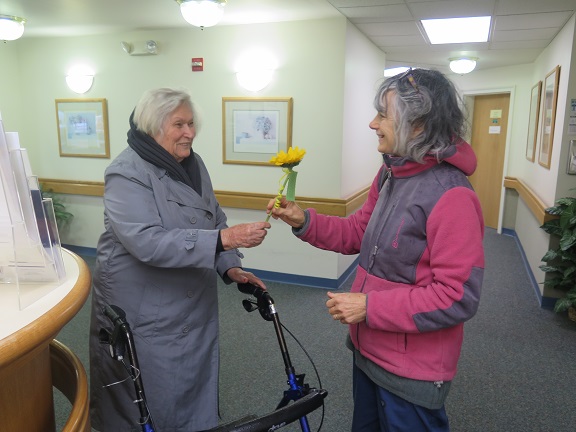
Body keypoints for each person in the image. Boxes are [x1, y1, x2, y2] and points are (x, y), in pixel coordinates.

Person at [267, 68, 484, 431]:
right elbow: (357, 233)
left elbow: (457, 296)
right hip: (369, 351)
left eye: (383, 114)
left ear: (417, 125)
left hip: (412, 370)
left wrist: (370, 306)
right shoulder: (389, 175)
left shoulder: (453, 194)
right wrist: (303, 219)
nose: (372, 123)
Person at [89, 87, 270, 432]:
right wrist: (224, 239)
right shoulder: (125, 173)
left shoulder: (193, 163)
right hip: (144, 306)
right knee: (143, 396)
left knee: (187, 386)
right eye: (179, 125)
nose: (189, 133)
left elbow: (213, 216)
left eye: (191, 124)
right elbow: (147, 242)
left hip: (190, 299)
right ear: (153, 126)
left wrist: (229, 264)